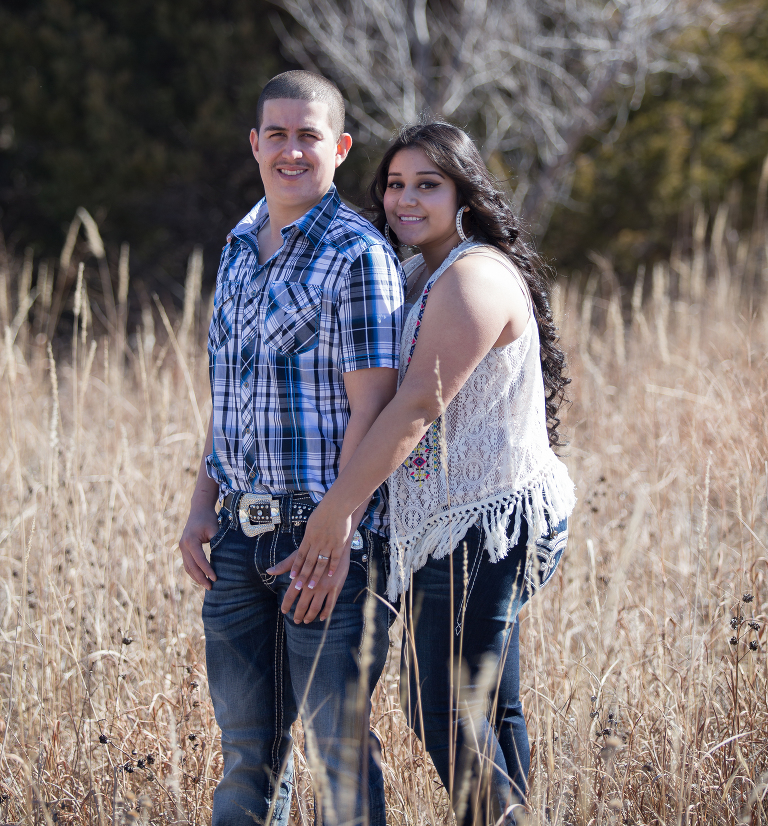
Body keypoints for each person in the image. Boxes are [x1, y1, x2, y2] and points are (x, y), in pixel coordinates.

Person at [282, 121, 576, 824]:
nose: (405, 200)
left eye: (427, 185)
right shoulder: (422, 268)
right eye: (394, 184)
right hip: (462, 520)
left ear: (463, 194)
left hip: (487, 522)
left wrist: (337, 511)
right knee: (486, 702)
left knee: (437, 701)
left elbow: (415, 406)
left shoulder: (472, 277)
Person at [179, 71, 404, 826]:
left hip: (323, 541)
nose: (291, 150)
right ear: (254, 143)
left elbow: (372, 411)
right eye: (276, 133)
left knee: (338, 752)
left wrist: (336, 532)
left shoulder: (357, 255)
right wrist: (199, 509)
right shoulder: (238, 249)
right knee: (247, 758)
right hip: (240, 540)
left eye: (308, 135)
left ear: (339, 148)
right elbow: (227, 395)